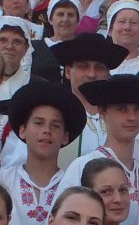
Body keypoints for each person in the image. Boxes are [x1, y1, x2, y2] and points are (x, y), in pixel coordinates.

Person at [58, 75, 139, 225]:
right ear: (102, 112)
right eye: (121, 109)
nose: (131, 117)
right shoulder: (82, 167)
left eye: (138, 109)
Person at [0, 81, 86, 225]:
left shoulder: (75, 186)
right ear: (22, 131)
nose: (46, 130)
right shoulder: (0, 183)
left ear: (65, 136)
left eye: (55, 125)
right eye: (38, 123)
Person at [50, 32, 129, 161]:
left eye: (99, 67)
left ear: (108, 74)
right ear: (68, 72)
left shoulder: (122, 116)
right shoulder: (55, 115)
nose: (91, 74)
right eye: (83, 67)